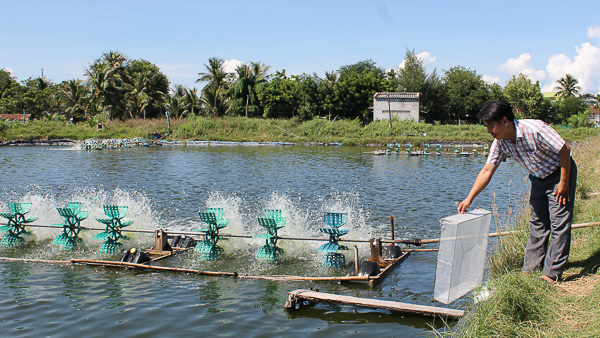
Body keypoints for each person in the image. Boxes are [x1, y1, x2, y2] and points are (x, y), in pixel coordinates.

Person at [458, 100, 577, 283]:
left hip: (559, 173)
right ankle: (530, 270)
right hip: (538, 178)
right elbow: (487, 170)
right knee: (537, 223)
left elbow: (564, 150)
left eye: (491, 126)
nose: (489, 131)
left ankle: (551, 274)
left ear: (505, 121)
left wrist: (564, 182)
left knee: (559, 224)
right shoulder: (500, 143)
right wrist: (469, 199)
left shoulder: (535, 129)